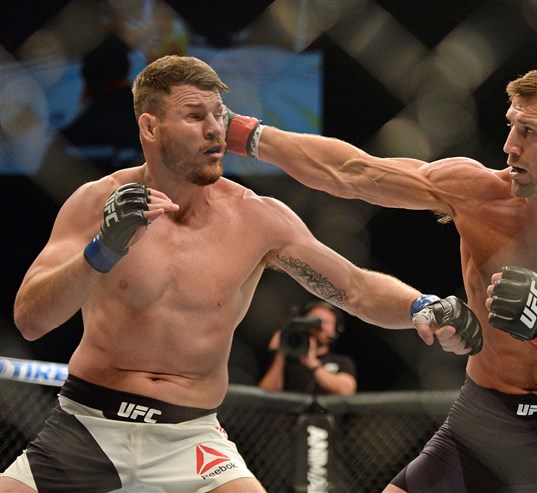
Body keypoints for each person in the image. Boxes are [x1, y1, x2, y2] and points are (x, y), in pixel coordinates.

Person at [1, 55, 482, 493]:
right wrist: (101, 251)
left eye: (219, 114)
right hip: (86, 426)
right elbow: (30, 320)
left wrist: (422, 305)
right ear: (150, 127)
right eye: (195, 116)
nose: (215, 129)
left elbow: (354, 288)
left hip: (189, 440)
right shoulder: (95, 202)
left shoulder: (257, 219)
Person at [222, 66, 537, 492]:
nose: (509, 145)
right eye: (512, 125)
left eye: (529, 132)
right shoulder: (478, 194)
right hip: (484, 421)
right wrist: (242, 134)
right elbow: (354, 172)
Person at [259, 300, 358, 395]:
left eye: (325, 322)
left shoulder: (342, 362)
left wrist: (312, 364)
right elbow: (266, 395)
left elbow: (346, 391)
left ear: (335, 330)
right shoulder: (289, 360)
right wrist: (280, 352)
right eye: (314, 320)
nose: (319, 327)